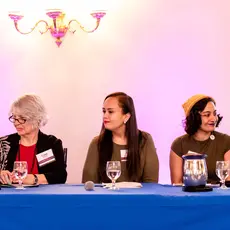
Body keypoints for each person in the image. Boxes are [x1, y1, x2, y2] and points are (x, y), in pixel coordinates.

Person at [82, 92, 159, 183]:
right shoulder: (97, 143)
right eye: (104, 111)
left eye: (110, 112)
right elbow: (88, 183)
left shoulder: (145, 140)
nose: (105, 116)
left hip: (138, 197)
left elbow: (151, 183)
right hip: (105, 196)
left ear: (126, 116)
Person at [0, 94, 67, 185]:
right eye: (15, 118)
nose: (16, 123)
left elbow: (60, 176)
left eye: (22, 119)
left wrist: (34, 179)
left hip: (41, 197)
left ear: (37, 119)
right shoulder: (4, 143)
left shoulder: (51, 143)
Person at [170, 94, 230, 184]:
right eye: (207, 115)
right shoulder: (179, 144)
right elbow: (177, 183)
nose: (213, 118)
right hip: (189, 196)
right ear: (194, 117)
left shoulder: (225, 141)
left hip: (219, 196)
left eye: (214, 114)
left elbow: (228, 181)